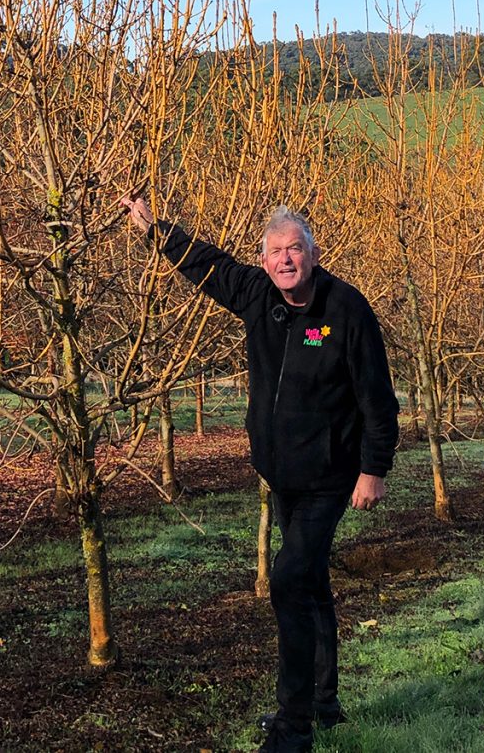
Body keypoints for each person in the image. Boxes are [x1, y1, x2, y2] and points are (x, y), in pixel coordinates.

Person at [122, 197, 399, 753]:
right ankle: (324, 701)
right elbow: (211, 267)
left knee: (289, 580)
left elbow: (377, 397)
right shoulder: (258, 296)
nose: (284, 260)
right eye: (274, 252)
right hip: (282, 473)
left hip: (330, 476)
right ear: (266, 261)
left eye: (294, 248)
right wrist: (158, 230)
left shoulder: (346, 309)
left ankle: (294, 726)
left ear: (313, 255)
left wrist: (373, 469)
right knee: (312, 582)